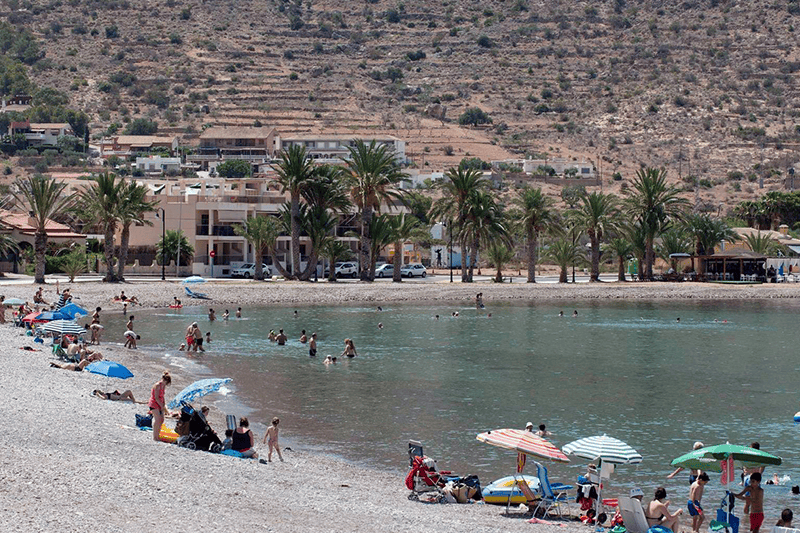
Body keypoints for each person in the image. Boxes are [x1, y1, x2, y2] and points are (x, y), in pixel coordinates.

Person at [148, 371, 171, 442]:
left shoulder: (163, 386)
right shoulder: (157, 385)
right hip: (154, 404)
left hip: (160, 404)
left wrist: (163, 405)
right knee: (157, 420)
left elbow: (162, 396)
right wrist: (161, 406)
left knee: (161, 420)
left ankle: (158, 435)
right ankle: (155, 437)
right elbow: (156, 397)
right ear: (164, 380)